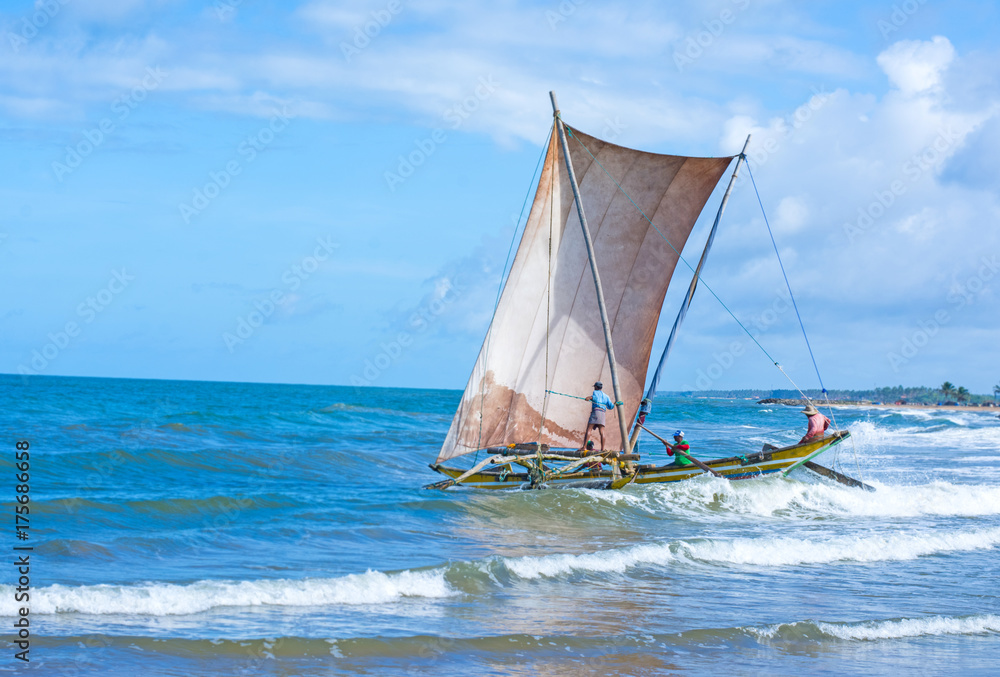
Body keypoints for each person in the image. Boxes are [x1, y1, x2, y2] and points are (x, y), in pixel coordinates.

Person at [582, 381, 614, 452]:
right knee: (602, 432)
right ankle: (602, 449)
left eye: (594, 387)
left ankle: (584, 447)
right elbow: (611, 406)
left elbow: (594, 398)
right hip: (602, 413)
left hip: (595, 412)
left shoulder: (595, 393)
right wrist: (614, 404)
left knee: (589, 430)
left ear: (596, 387)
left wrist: (588, 398)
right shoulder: (606, 396)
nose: (594, 388)